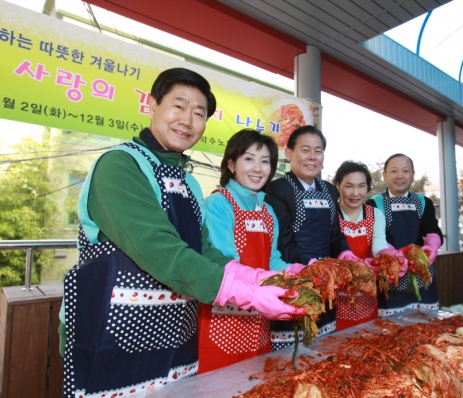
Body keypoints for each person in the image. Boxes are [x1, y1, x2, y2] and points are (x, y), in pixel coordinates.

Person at [59, 68, 303, 397]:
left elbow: (203, 249)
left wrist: (259, 279)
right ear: (151, 104)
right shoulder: (119, 166)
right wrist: (243, 293)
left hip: (176, 338)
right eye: (178, 106)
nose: (187, 120)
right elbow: (161, 250)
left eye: (199, 113)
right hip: (112, 336)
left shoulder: (187, 181)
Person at [200, 129, 304, 372]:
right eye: (249, 159)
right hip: (223, 317)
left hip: (260, 317)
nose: (258, 168)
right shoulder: (218, 203)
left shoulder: (267, 211)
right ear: (231, 164)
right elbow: (224, 262)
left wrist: (296, 272)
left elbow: (272, 260)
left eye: (265, 161)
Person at [265, 125, 361, 350]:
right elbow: (283, 244)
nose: (312, 157)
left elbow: (335, 234)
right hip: (294, 282)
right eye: (305, 150)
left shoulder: (329, 190)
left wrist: (346, 254)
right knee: (292, 357)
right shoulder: (277, 190)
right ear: (289, 154)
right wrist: (315, 268)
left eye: (318, 151)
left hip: (328, 287)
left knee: (325, 353)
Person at [332, 161, 407, 330]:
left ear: (368, 188)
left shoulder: (375, 214)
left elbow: (379, 244)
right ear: (337, 186)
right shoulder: (331, 214)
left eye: (361, 186)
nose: (356, 193)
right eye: (349, 186)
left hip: (368, 292)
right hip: (337, 293)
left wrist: (389, 256)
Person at [367, 153, 443, 315]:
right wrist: (391, 255)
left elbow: (432, 230)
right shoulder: (374, 203)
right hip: (391, 278)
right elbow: (374, 237)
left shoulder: (424, 202)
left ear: (413, 175)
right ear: (384, 175)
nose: (400, 176)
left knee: (426, 328)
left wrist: (432, 245)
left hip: (423, 278)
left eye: (406, 171)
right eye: (394, 171)